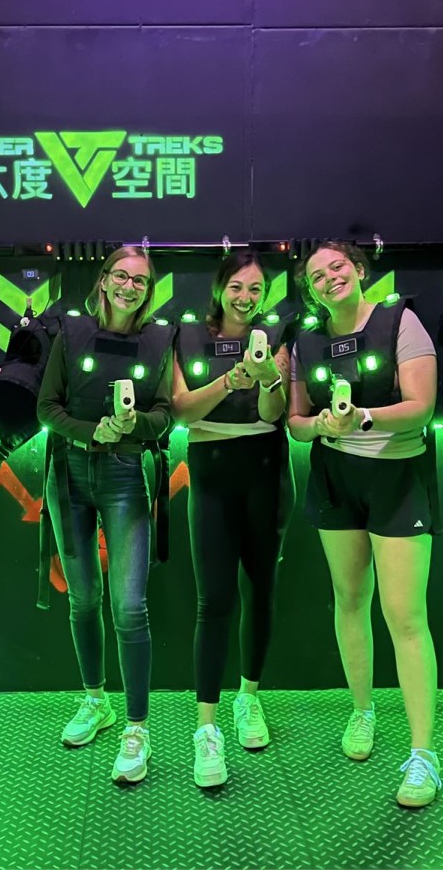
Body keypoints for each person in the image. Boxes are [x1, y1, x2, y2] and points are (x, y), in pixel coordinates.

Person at [285, 240, 443, 808]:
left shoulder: (400, 321)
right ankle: (362, 710)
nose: (330, 278)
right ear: (309, 291)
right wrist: (321, 427)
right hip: (334, 477)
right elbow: (295, 423)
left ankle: (423, 755)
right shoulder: (304, 341)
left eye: (338, 267)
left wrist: (365, 418)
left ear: (357, 270)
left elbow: (422, 406)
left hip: (397, 479)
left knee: (405, 616)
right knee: (350, 599)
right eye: (316, 276)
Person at [36, 246, 174, 784]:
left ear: (149, 290)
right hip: (68, 475)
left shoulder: (160, 340)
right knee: (83, 598)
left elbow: (164, 415)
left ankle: (137, 728)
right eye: (121, 276)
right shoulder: (70, 333)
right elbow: (47, 408)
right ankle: (96, 700)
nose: (129, 286)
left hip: (125, 476)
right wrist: (91, 431)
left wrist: (134, 426)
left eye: (140, 280)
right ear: (103, 280)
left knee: (129, 607)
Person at [172, 252, 292, 788]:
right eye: (238, 287)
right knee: (213, 600)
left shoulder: (278, 335)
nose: (246, 297)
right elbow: (181, 411)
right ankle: (206, 727)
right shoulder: (185, 335)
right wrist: (230, 380)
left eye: (256, 289)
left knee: (260, 589)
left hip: (266, 467)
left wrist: (266, 381)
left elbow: (273, 413)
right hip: (211, 467)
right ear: (220, 288)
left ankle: (249, 696)